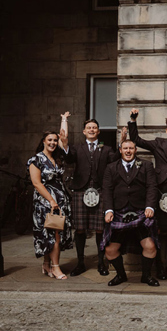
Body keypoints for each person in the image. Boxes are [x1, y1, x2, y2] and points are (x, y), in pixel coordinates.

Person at [59, 112, 120, 277]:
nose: (92, 130)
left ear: (98, 131)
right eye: (89, 128)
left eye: (94, 128)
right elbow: (69, 158)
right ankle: (80, 263)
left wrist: (121, 144)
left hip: (100, 191)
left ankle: (101, 263)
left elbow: (115, 160)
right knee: (80, 230)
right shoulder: (77, 148)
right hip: (80, 191)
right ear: (84, 132)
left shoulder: (106, 149)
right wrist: (64, 142)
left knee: (100, 229)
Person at [128, 109, 167, 280]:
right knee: (157, 232)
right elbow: (136, 140)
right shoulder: (158, 143)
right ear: (166, 130)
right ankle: (159, 268)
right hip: (159, 192)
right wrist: (133, 120)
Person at [101, 140, 160, 287]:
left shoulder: (146, 165)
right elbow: (107, 190)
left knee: (150, 246)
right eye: (125, 148)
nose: (128, 151)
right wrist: (108, 210)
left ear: (135, 150)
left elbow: (152, 187)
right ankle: (121, 275)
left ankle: (146, 276)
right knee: (110, 249)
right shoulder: (110, 167)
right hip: (119, 213)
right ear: (120, 150)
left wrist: (150, 207)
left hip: (140, 212)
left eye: (131, 148)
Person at [28, 131, 73, 280]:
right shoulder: (36, 159)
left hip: (60, 201)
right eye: (50, 140)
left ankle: (47, 263)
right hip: (46, 202)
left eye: (55, 140)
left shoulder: (55, 158)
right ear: (43, 141)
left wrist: (64, 121)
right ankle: (56, 267)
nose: (53, 142)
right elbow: (36, 183)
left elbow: (63, 140)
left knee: (52, 234)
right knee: (54, 235)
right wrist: (51, 201)